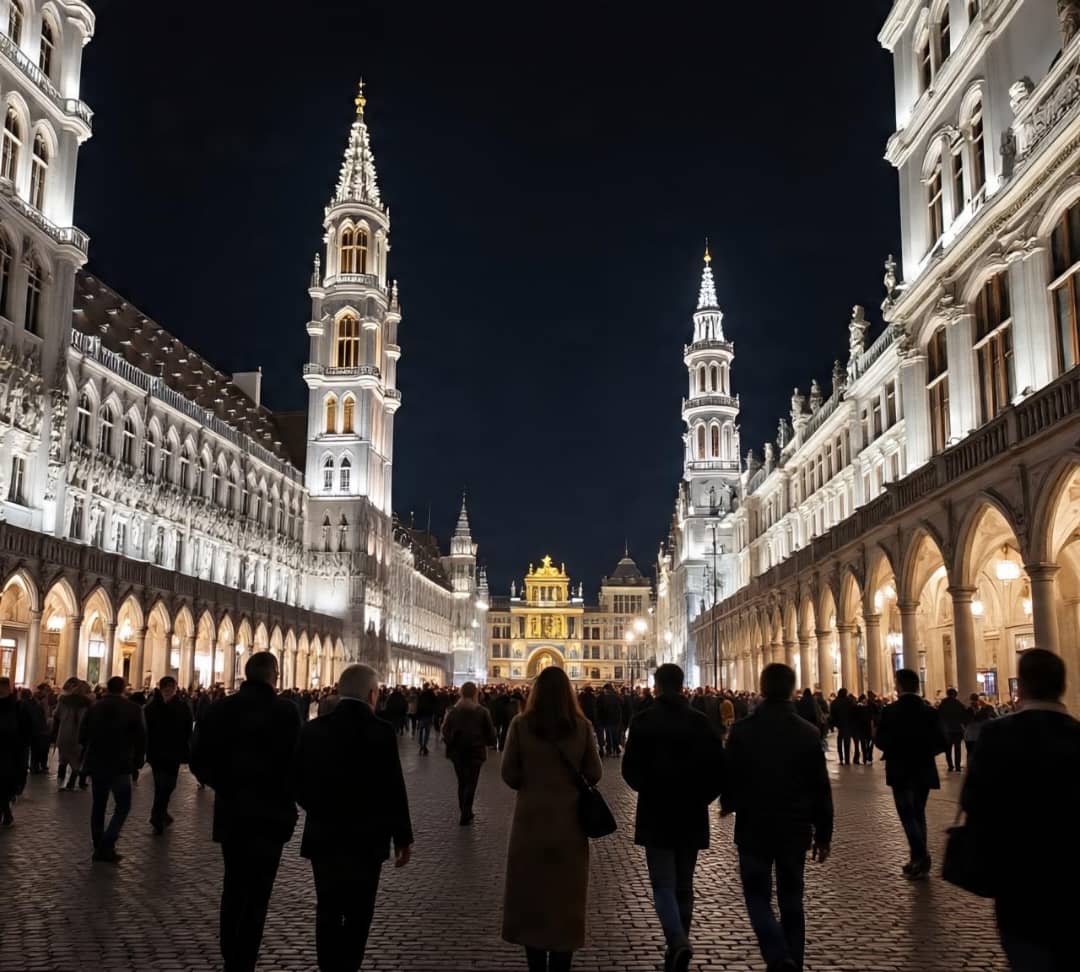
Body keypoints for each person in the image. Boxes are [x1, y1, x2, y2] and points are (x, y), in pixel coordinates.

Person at [961, 649, 1079, 971]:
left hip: (1016, 877)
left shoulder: (996, 735)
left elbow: (973, 801)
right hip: (1071, 879)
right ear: (1062, 686)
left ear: (1022, 686)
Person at [293, 664, 413, 972]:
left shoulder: (314, 730)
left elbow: (297, 781)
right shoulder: (381, 731)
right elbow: (393, 788)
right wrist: (402, 838)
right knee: (360, 911)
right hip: (367, 839)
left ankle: (329, 967)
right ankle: (350, 966)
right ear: (372, 695)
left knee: (328, 908)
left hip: (324, 836)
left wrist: (318, 808)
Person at [190, 651, 301, 972]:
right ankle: (245, 958)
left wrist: (223, 784)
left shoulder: (219, 709)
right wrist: (286, 791)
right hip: (272, 815)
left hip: (233, 812)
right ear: (273, 676)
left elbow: (197, 758)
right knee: (259, 892)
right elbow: (298, 762)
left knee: (234, 884)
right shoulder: (286, 712)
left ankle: (230, 953)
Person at [722, 663, 832, 972]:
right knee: (792, 899)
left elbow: (729, 776)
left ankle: (776, 952)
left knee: (757, 897)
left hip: (753, 827)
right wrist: (824, 834)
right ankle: (793, 960)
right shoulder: (808, 733)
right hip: (794, 830)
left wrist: (728, 803)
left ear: (762, 688)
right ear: (792, 689)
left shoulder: (742, 731)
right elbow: (820, 789)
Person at [621, 664, 725, 972]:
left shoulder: (643, 721)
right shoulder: (701, 721)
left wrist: (648, 789)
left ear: (657, 685)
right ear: (681, 685)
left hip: (656, 812)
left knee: (663, 884)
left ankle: (677, 941)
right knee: (684, 885)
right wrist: (701, 798)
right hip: (691, 813)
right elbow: (718, 769)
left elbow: (630, 770)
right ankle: (679, 944)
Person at [502, 666, 602, 972]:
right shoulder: (581, 727)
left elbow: (509, 773)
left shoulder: (521, 725)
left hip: (530, 825)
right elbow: (594, 772)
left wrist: (533, 782)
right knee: (565, 901)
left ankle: (535, 965)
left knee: (531, 899)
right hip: (569, 827)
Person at [874, 668, 946, 880]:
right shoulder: (929, 711)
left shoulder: (890, 711)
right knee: (918, 812)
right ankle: (917, 860)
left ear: (899, 686)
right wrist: (925, 752)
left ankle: (921, 856)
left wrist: (896, 749)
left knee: (907, 814)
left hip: (900, 769)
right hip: (924, 769)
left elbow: (880, 741)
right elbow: (942, 741)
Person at [78, 676, 146, 863]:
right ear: (123, 688)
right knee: (123, 806)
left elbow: (82, 735)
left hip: (97, 762)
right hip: (120, 763)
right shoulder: (133, 708)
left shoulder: (94, 707)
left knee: (98, 805)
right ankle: (107, 843)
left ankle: (98, 843)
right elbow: (141, 737)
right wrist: (138, 760)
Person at [144, 675, 194, 835]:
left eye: (170, 689)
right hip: (162, 752)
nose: (169, 692)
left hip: (169, 752)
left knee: (167, 785)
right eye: (167, 689)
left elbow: (188, 728)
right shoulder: (153, 707)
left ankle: (160, 812)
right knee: (163, 785)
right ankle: (157, 815)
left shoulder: (177, 706)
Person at [442, 681, 497, 824]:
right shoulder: (482, 712)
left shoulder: (453, 711)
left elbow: (445, 731)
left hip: (457, 752)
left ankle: (464, 810)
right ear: (475, 694)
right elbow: (491, 734)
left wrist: (451, 742)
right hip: (475, 752)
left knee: (462, 782)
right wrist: (486, 741)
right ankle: (466, 811)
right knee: (471, 782)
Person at [0, 677, 31, 826]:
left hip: (10, 751)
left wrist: (22, 746)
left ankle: (6, 812)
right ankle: (6, 812)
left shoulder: (18, 707)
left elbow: (25, 729)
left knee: (5, 783)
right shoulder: (17, 706)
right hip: (8, 750)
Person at [53, 678, 91, 790]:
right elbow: (84, 721)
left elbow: (56, 714)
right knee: (75, 761)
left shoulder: (63, 700)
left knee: (62, 760)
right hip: (77, 735)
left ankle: (60, 782)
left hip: (63, 733)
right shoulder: (85, 703)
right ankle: (71, 783)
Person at [937, 688, 968, 773]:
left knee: (948, 749)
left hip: (946, 729)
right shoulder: (958, 703)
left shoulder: (943, 704)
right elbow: (964, 715)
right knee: (957, 749)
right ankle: (957, 766)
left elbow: (939, 715)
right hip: (957, 729)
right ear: (955, 694)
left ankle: (950, 766)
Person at [829, 688, 854, 765]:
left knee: (839, 741)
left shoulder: (835, 702)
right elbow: (854, 712)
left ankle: (841, 759)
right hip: (848, 724)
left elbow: (832, 713)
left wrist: (834, 723)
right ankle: (847, 759)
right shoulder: (849, 701)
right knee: (847, 742)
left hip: (840, 724)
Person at [416, 681, 437, 755]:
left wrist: (418, 716)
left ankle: (421, 746)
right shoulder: (432, 694)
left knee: (421, 731)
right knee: (427, 731)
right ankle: (424, 745)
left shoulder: (421, 694)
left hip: (422, 715)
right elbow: (435, 704)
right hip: (428, 715)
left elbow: (418, 705)